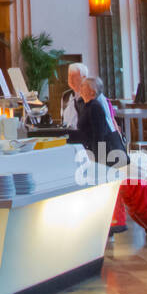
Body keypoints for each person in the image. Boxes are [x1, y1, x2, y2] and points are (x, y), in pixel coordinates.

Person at [69, 76, 129, 234]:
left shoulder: (94, 106)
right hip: (97, 153)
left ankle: (109, 224)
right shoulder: (89, 105)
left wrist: (96, 159)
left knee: (102, 190)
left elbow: (99, 134)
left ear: (92, 91)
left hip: (101, 155)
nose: (80, 89)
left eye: (84, 87)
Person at [60, 62, 88, 129]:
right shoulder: (66, 95)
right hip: (68, 134)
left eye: (74, 76)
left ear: (84, 77)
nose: (70, 79)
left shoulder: (90, 95)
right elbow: (62, 118)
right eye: (69, 76)